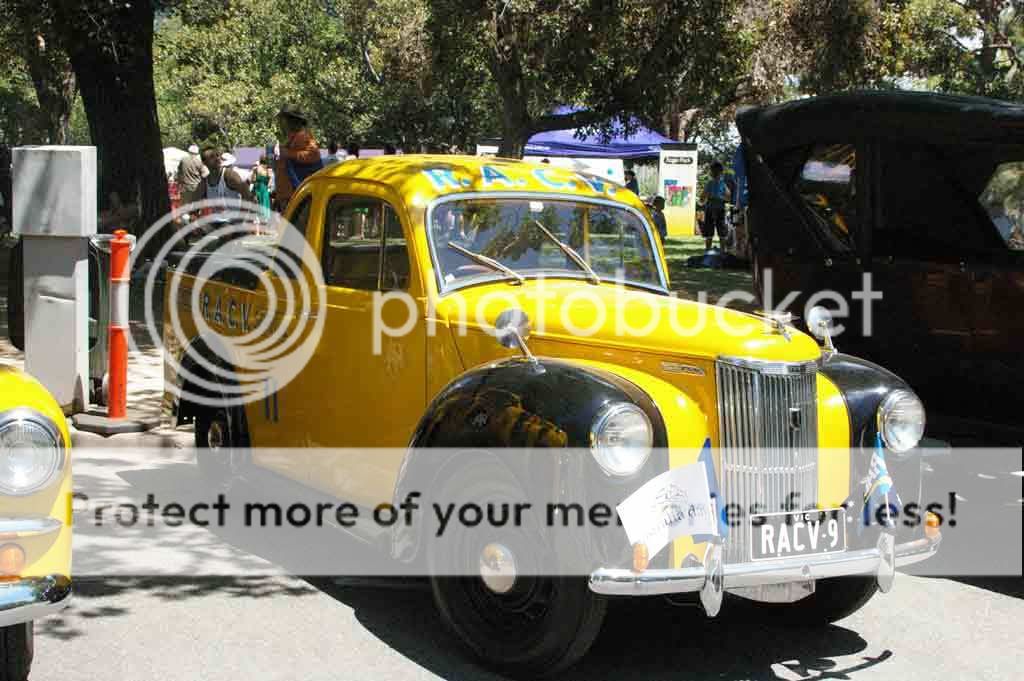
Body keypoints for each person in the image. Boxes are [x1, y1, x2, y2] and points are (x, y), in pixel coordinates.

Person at [274, 104, 322, 209]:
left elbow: (313, 155)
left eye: (282, 120)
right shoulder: (290, 139)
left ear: (291, 121)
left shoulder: (302, 136)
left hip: (296, 198)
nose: (280, 123)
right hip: (288, 198)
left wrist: (288, 153)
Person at [202, 147, 254, 212]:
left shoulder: (229, 175)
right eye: (212, 157)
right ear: (204, 162)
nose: (217, 158)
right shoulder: (205, 181)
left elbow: (248, 196)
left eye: (217, 155)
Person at [700, 161, 731, 251]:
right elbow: (728, 196)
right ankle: (722, 251)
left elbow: (702, 196)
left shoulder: (709, 183)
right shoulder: (723, 184)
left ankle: (708, 250)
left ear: (711, 172)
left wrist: (703, 200)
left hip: (710, 209)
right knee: (722, 232)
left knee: (709, 232)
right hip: (720, 209)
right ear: (721, 172)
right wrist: (723, 198)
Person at [176, 144, 207, 210]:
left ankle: (186, 219)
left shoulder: (183, 160)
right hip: (196, 187)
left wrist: (179, 183)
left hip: (185, 187)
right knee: (195, 208)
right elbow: (205, 174)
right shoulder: (199, 162)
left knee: (184, 207)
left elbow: (179, 173)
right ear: (197, 152)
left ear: (189, 151)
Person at [251, 155, 273, 221]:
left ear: (260, 161)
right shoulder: (269, 170)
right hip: (264, 189)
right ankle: (265, 221)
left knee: (258, 204)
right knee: (265, 204)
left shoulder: (256, 169)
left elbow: (253, 180)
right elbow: (270, 181)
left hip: (257, 188)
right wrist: (268, 187)